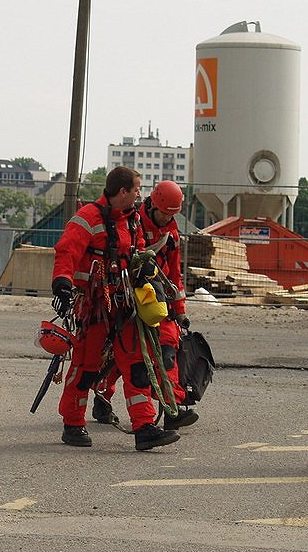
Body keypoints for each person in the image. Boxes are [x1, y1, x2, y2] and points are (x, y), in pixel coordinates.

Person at [50, 166, 181, 451]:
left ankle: (144, 428)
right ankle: (72, 423)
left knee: (137, 366)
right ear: (122, 191)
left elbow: (139, 248)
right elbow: (67, 251)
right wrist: (61, 281)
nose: (139, 194)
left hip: (125, 306)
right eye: (136, 189)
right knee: (86, 366)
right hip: (93, 307)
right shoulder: (86, 219)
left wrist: (146, 263)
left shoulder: (132, 221)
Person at [91, 179, 198, 430]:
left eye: (170, 215)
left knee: (167, 349)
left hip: (155, 300)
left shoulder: (171, 235)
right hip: (128, 296)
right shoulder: (132, 222)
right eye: (163, 214)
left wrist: (179, 312)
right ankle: (102, 397)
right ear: (153, 206)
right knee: (122, 355)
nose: (165, 219)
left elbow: (174, 276)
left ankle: (173, 407)